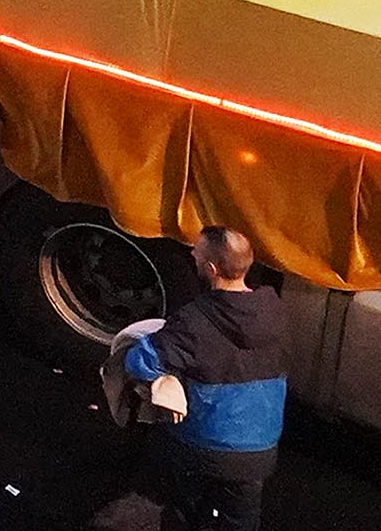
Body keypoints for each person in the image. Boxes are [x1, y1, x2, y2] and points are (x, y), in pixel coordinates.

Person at [121, 227, 284, 531]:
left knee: (176, 491)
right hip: (260, 448)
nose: (192, 254)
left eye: (196, 251)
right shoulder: (273, 308)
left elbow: (139, 362)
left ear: (211, 268)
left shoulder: (195, 319)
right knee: (241, 520)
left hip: (204, 445)